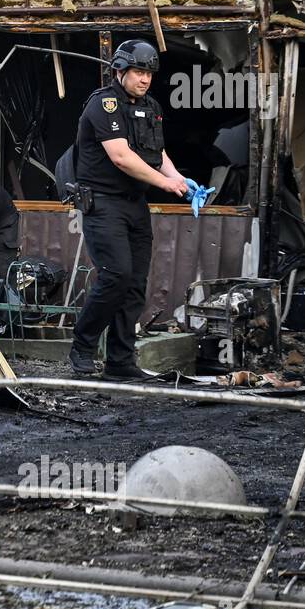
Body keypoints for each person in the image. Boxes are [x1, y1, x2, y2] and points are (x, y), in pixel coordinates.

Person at [68, 38, 191, 380]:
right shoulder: (104, 104)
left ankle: (120, 362)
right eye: (138, 71)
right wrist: (164, 184)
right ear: (119, 70)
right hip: (104, 203)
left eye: (149, 72)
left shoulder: (150, 106)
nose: (145, 78)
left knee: (135, 283)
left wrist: (180, 179)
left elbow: (157, 152)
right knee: (116, 275)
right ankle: (82, 345)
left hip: (135, 205)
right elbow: (121, 157)